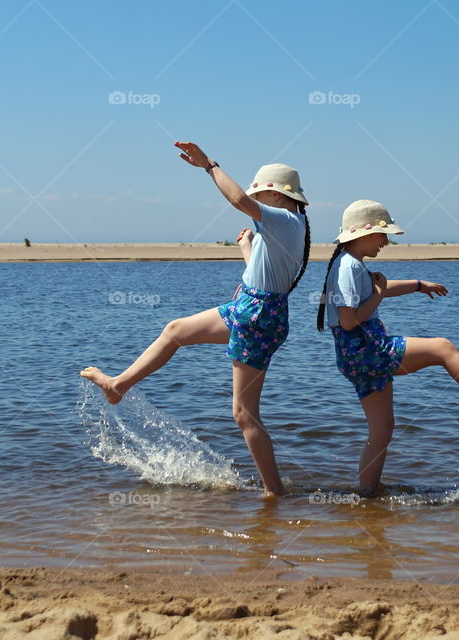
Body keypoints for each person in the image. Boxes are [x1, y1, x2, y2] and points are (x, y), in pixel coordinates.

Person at [82, 142, 311, 496]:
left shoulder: (283, 219)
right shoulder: (288, 226)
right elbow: (265, 274)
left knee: (243, 413)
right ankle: (118, 387)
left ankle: (274, 492)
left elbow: (238, 201)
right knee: (174, 331)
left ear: (278, 196)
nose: (258, 203)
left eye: (263, 195)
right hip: (252, 309)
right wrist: (246, 248)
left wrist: (210, 166)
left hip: (256, 315)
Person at [317, 199, 459, 495]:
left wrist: (419, 285)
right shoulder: (348, 267)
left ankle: (368, 494)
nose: (386, 242)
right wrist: (379, 295)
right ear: (364, 234)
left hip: (355, 356)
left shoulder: (351, 263)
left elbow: (381, 287)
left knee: (382, 430)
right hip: (366, 351)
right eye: (384, 235)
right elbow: (348, 321)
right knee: (442, 349)